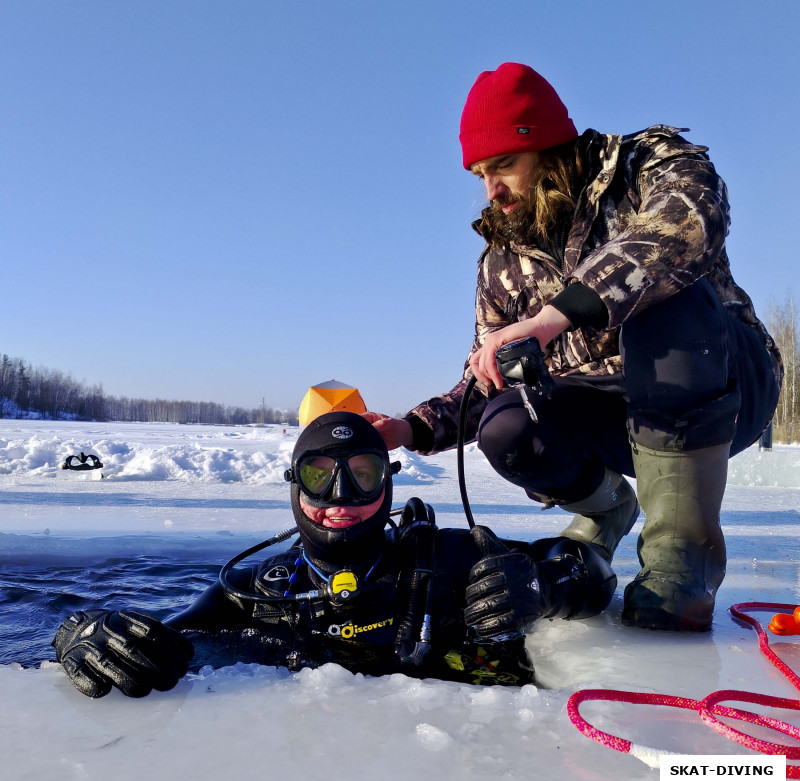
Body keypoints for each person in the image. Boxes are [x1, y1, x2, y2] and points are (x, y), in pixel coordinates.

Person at [366, 62, 783, 633]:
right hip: (613, 408)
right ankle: (608, 510)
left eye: (505, 165)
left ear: (549, 147)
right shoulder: (500, 261)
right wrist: (407, 430)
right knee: (505, 422)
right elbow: (485, 374)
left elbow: (689, 224)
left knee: (663, 303)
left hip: (722, 385)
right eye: (481, 174)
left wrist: (551, 318)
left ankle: (678, 564)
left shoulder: (645, 164)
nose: (492, 190)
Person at [52, 411, 616, 698]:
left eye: (362, 475)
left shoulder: (453, 560)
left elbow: (588, 571)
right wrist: (80, 632)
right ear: (294, 486)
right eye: (320, 477)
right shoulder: (256, 589)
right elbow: (162, 642)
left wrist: (547, 587)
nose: (340, 497)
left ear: (389, 486)